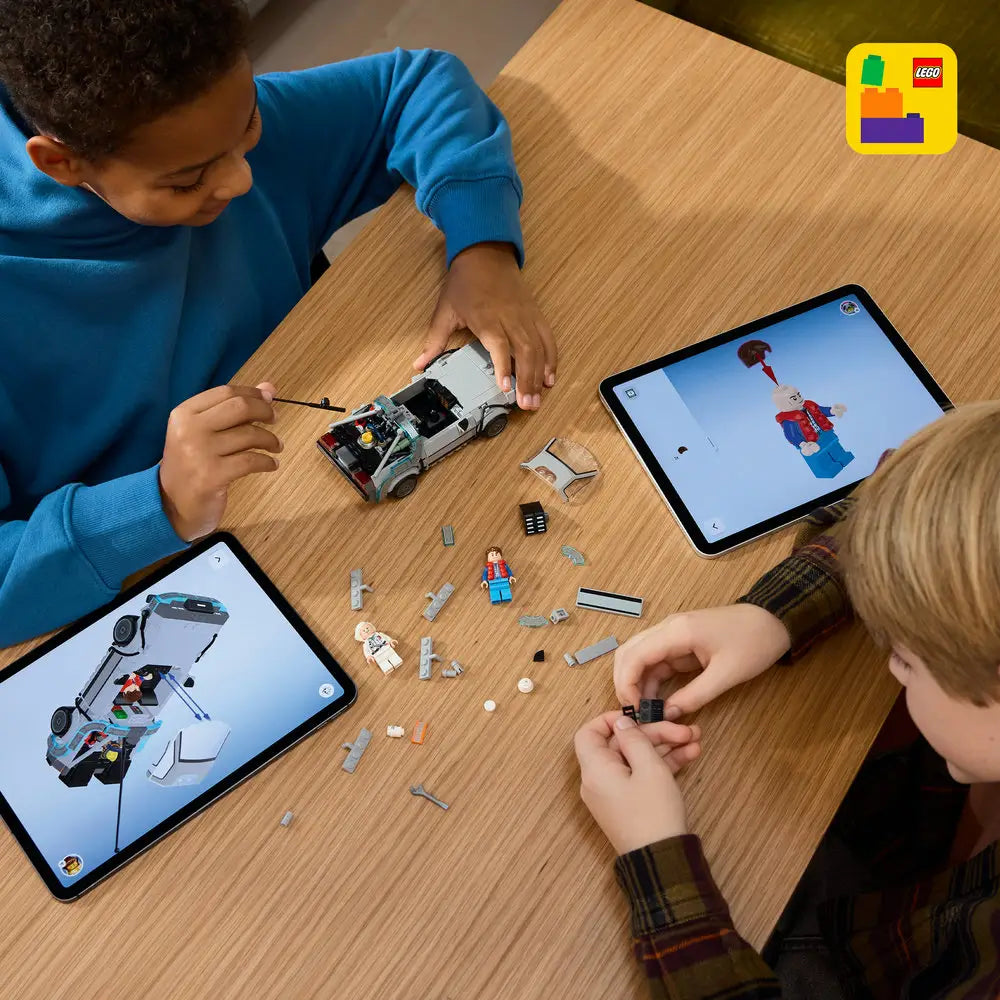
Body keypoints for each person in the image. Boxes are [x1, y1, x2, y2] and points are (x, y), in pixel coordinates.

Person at [0, 0, 557, 646]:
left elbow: (420, 85)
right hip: (157, 585)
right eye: (188, 182)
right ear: (61, 164)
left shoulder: (183, 113)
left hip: (321, 502)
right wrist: (159, 501)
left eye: (250, 128)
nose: (240, 180)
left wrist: (480, 247)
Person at [575, 401, 1000, 999]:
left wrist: (656, 858)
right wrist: (770, 617)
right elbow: (909, 505)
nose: (890, 668)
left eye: (905, 657)